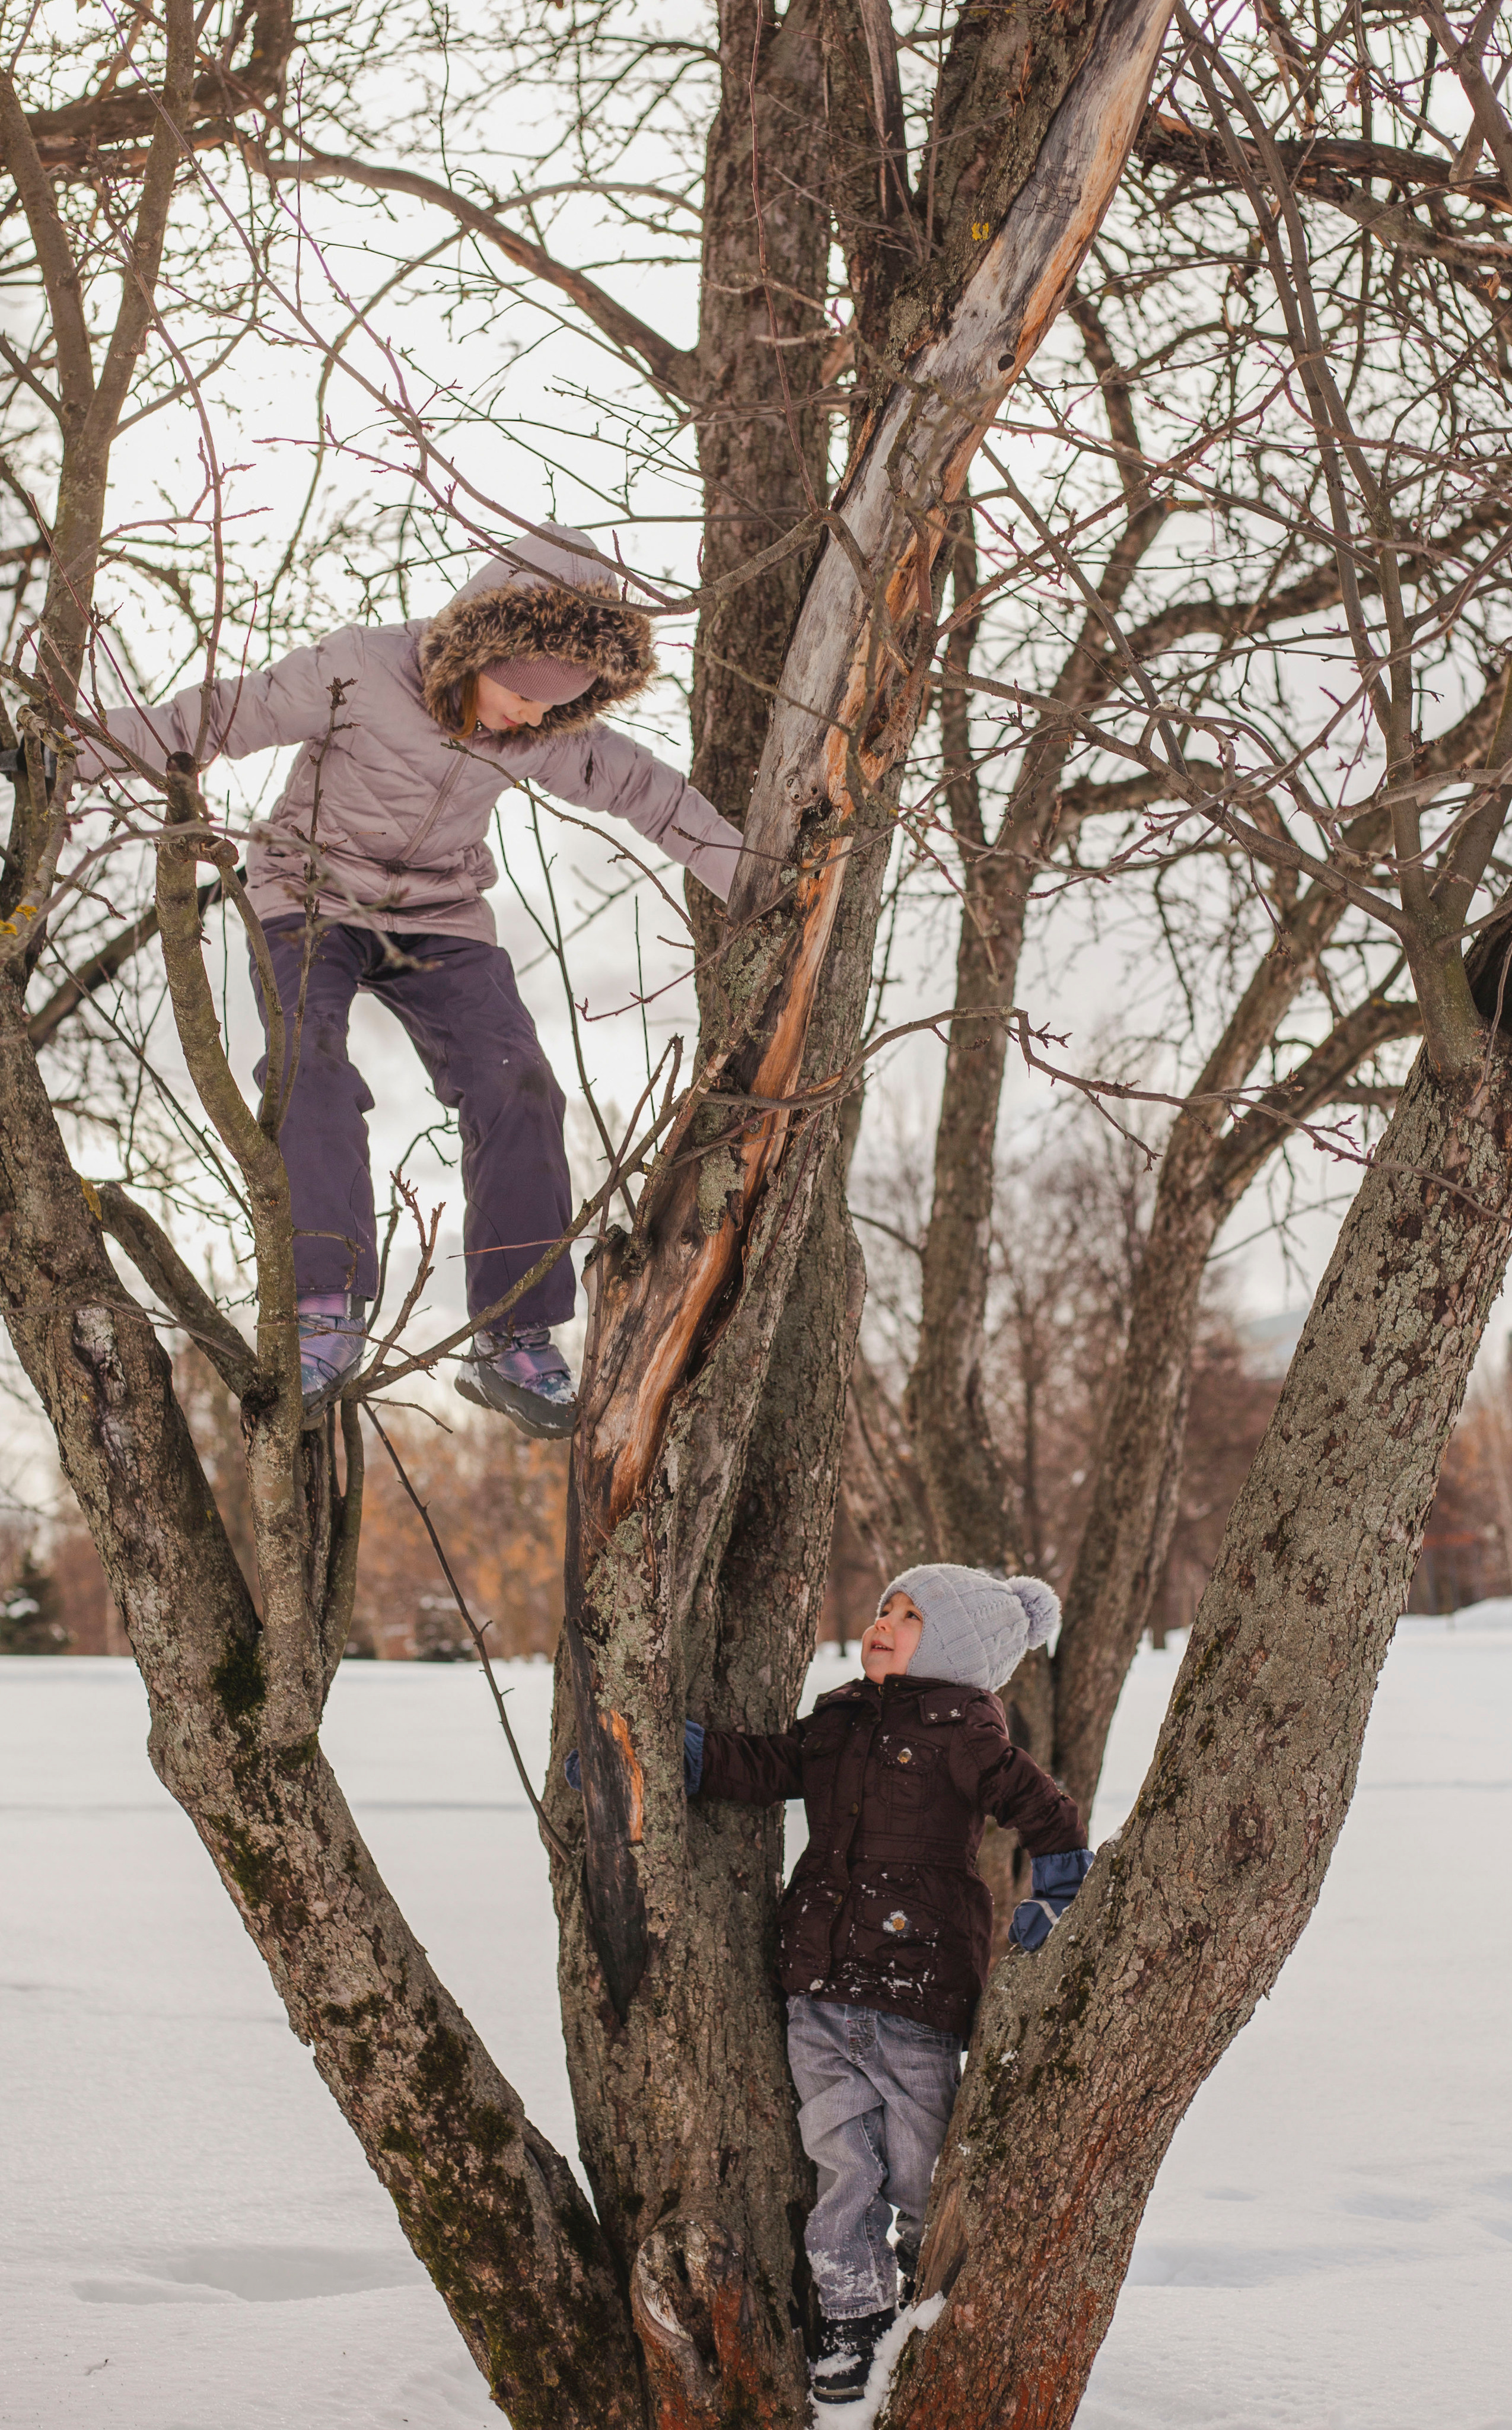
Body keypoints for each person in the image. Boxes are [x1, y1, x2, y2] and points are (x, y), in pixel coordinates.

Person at [71, 524, 742, 1435]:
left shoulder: (547, 735)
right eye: (522, 694)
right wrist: (70, 751)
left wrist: (765, 884)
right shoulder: (359, 669)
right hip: (308, 894)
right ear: (482, 647)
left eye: (557, 707)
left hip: (438, 916)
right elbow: (215, 718)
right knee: (308, 1063)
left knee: (518, 1080)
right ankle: (324, 1309)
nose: (529, 718)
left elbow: (653, 796)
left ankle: (513, 1335)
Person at [689, 1564, 1093, 2406]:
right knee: (838, 2161)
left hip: (916, 1987)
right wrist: (685, 1760)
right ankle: (854, 2313)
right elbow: (768, 1766)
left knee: (917, 2165)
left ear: (955, 1648)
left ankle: (922, 2288)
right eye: (885, 1608)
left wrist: (1058, 1891)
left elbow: (1043, 1808)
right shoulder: (837, 1719)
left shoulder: (965, 1730)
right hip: (820, 1986)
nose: (884, 1623)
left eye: (911, 1617)